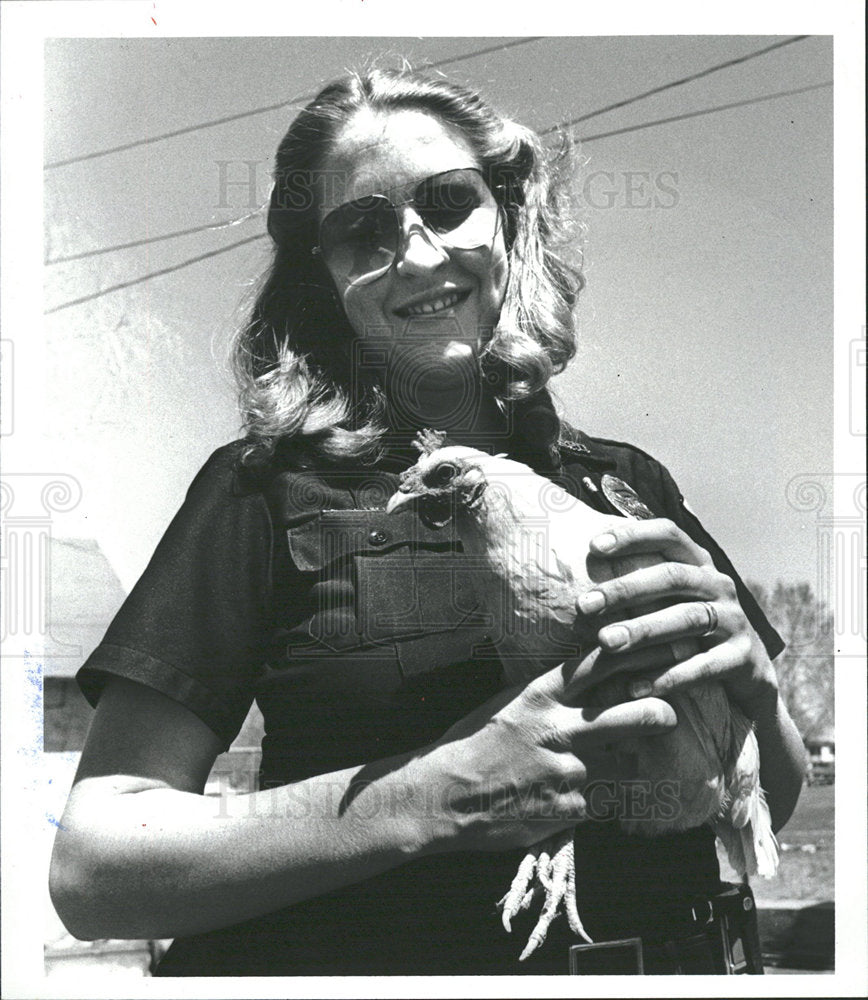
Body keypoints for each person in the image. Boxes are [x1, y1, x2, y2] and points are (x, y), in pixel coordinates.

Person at [49, 67, 807, 976]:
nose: (414, 254)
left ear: (508, 218)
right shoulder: (262, 491)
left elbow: (766, 805)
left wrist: (759, 690)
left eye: (449, 203)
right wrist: (431, 795)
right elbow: (95, 870)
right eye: (361, 232)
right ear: (323, 279)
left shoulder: (625, 483)